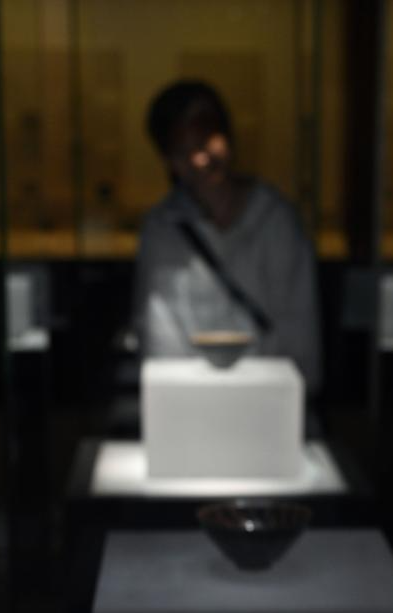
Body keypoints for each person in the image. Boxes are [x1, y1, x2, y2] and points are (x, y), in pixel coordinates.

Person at [133, 79, 322, 395]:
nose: (200, 159)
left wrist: (295, 391)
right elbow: (161, 332)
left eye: (206, 142)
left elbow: (298, 322)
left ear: (227, 136)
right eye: (184, 151)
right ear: (169, 160)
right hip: (192, 398)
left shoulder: (275, 219)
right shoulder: (162, 230)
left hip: (268, 396)